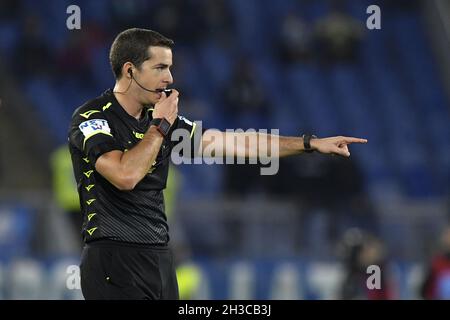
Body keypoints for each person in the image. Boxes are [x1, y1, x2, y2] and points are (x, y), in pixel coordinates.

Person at [68, 28, 367, 300]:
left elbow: (235, 142)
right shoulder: (94, 118)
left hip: (158, 258)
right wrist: (160, 126)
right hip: (112, 259)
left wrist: (309, 144)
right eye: (160, 67)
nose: (169, 78)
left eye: (170, 68)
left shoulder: (160, 122)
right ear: (130, 71)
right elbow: (125, 175)